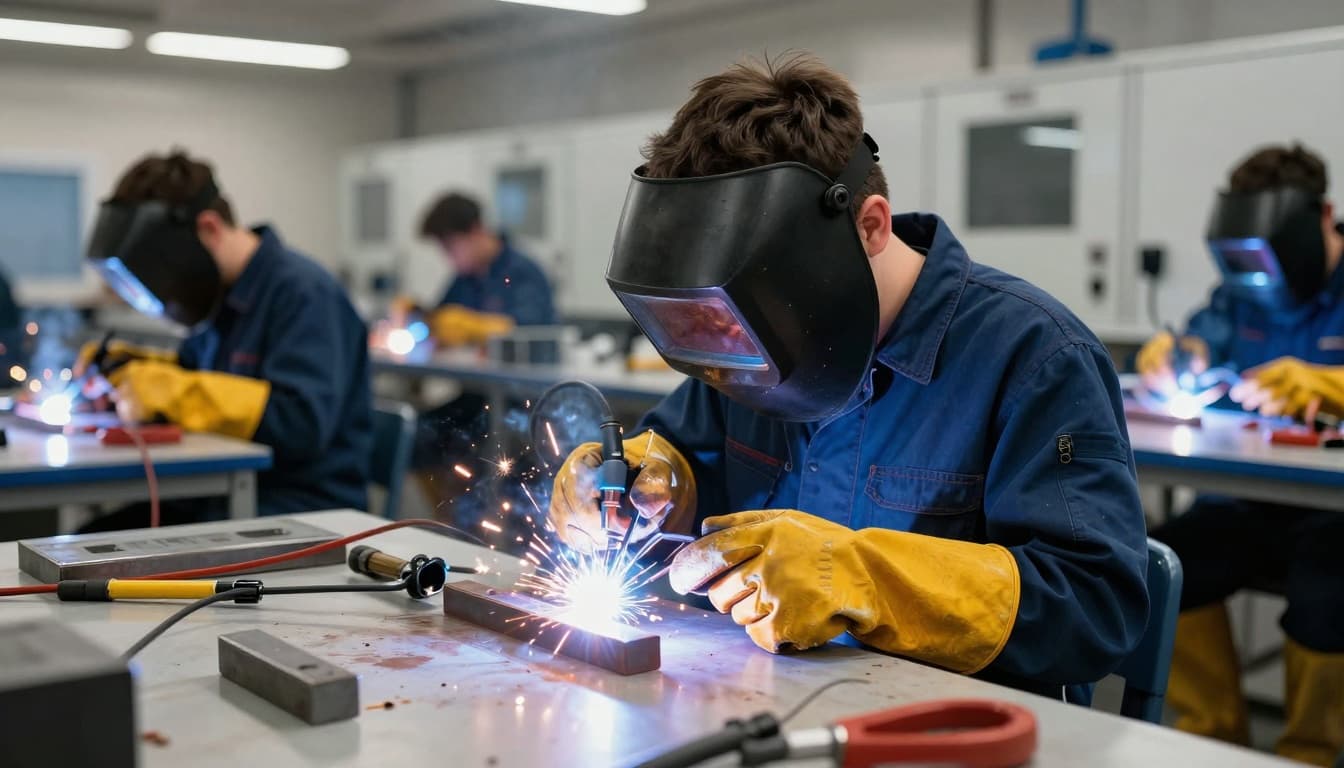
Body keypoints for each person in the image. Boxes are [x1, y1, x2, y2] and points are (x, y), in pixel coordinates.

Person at [547, 54, 1149, 703]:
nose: (727, 345)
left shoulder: (1033, 358)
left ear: (870, 227)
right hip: (759, 707)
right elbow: (686, 449)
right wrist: (645, 485)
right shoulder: (745, 344)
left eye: (740, 314)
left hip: (945, 729)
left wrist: (862, 578)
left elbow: (1094, 607)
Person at [1138, 144, 1344, 765]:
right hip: (1249, 502)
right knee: (1160, 567)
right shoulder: (1245, 287)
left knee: (1327, 594)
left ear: (1324, 217)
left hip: (1334, 516)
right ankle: (1214, 743)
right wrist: (1180, 353)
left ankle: (1309, 754)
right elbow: (1206, 333)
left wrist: (1331, 383)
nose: (1259, 280)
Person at [81, 150, 372, 520]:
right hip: (220, 493)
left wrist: (170, 391)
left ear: (210, 229)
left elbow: (301, 424)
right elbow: (197, 375)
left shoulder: (304, 293)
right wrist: (127, 370)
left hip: (301, 510)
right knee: (79, 547)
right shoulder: (221, 299)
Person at [415, 191, 555, 344]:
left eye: (451, 247)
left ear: (475, 231)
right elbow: (441, 317)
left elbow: (529, 328)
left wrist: (478, 328)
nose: (448, 257)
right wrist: (417, 314)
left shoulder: (522, 272)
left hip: (526, 366)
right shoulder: (466, 279)